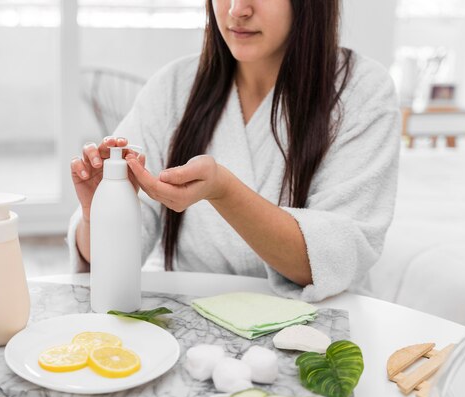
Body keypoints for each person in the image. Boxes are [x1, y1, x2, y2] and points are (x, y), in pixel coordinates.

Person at [68, 0, 401, 301]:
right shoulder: (173, 87)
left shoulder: (362, 92)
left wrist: (224, 192)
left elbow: (335, 257)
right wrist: (99, 212)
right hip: (193, 322)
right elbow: (110, 260)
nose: (237, 9)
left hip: (316, 332)